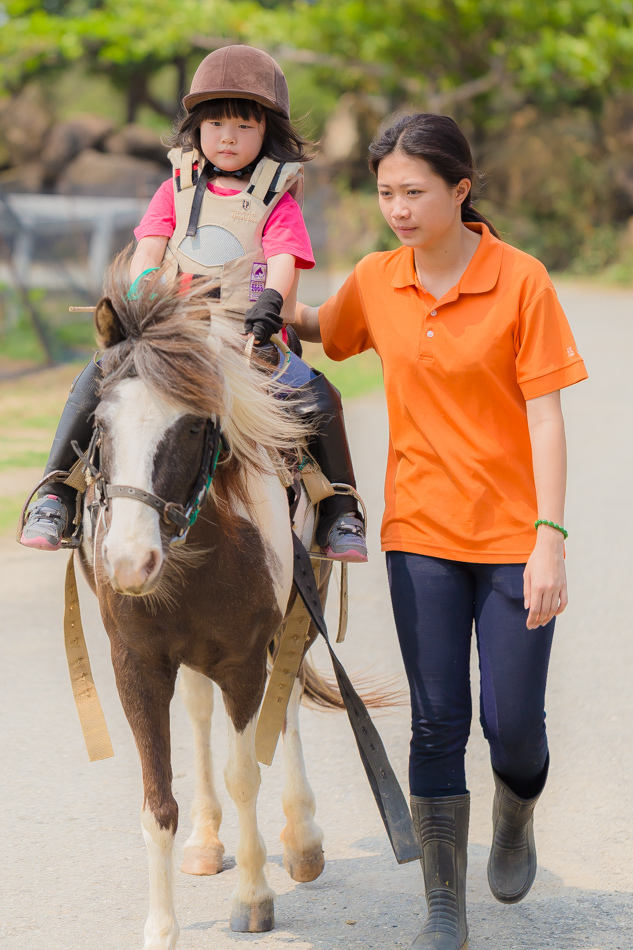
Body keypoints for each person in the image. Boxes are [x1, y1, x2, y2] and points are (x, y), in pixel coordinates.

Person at [290, 112, 587, 950]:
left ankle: (516, 811)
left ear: (460, 189)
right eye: (385, 192)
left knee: (514, 725)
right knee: (435, 720)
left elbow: (546, 416)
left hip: (508, 541)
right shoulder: (379, 280)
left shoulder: (521, 280)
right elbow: (322, 327)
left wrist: (549, 536)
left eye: (414, 191)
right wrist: (252, 290)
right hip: (418, 532)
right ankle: (442, 909)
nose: (397, 208)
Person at [19, 45, 366, 562]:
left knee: (316, 393)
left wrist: (270, 301)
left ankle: (339, 508)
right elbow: (150, 251)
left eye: (244, 127)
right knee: (97, 378)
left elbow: (284, 258)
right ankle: (57, 492)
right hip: (174, 331)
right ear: (197, 129)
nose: (228, 137)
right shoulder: (174, 190)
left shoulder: (278, 200)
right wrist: (139, 300)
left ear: (267, 133)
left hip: (250, 332)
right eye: (217, 123)